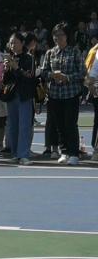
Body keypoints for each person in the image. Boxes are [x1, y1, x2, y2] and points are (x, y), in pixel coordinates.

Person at [39, 23, 85, 165]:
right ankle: (64, 152)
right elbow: (43, 72)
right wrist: (52, 75)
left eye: (61, 35)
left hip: (71, 94)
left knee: (70, 124)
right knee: (59, 125)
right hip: (54, 94)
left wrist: (67, 77)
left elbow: (82, 72)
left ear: (67, 36)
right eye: (55, 35)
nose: (57, 38)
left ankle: (74, 153)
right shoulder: (50, 53)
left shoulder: (74, 51)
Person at [3, 31, 37, 165]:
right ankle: (15, 153)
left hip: (24, 95)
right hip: (12, 95)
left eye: (15, 42)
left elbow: (30, 77)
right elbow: (6, 80)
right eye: (11, 43)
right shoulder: (10, 58)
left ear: (22, 43)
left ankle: (23, 154)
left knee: (24, 125)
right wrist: (6, 70)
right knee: (13, 126)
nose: (12, 45)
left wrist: (16, 68)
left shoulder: (29, 58)